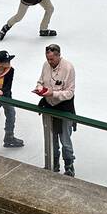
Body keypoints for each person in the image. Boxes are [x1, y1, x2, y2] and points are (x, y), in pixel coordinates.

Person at [36, 44, 77, 176]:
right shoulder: (45, 65)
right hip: (49, 106)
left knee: (65, 139)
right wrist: (39, 88)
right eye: (48, 59)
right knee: (50, 137)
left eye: (52, 59)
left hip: (64, 108)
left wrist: (52, 93)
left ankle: (69, 165)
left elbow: (70, 93)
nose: (49, 62)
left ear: (59, 55)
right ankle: (53, 163)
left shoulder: (68, 68)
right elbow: (40, 81)